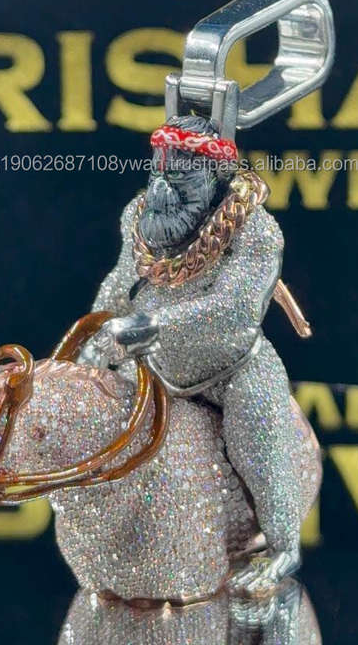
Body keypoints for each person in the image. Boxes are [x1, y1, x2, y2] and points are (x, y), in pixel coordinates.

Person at [81, 114, 305, 594]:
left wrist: (148, 326)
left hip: (232, 366)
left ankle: (284, 546)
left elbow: (233, 310)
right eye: (158, 173)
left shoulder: (255, 230)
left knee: (258, 441)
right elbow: (121, 283)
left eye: (181, 179)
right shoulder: (139, 216)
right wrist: (93, 335)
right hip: (155, 363)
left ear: (216, 176)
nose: (163, 189)